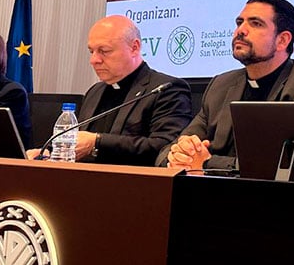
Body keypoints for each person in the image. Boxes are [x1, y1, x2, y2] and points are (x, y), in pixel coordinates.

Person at [158, 0, 294, 171]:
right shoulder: (221, 85)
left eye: (256, 24)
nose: (240, 31)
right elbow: (168, 152)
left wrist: (207, 163)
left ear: (282, 40)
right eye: (239, 23)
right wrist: (178, 156)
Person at [29, 15, 193, 164]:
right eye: (91, 51)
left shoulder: (165, 89)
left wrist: (97, 142)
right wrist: (47, 152)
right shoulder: (95, 91)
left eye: (104, 51)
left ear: (134, 47)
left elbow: (165, 147)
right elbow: (78, 140)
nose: (94, 60)